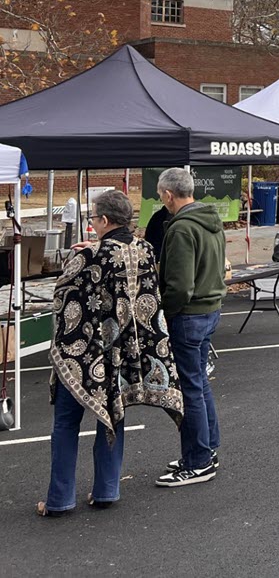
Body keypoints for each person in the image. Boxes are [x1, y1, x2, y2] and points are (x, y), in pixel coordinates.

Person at [38, 191, 184, 516]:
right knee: (114, 417)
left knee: (66, 423)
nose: (92, 223)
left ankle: (60, 499)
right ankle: (106, 490)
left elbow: (63, 294)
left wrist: (79, 257)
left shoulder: (91, 255)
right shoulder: (145, 250)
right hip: (122, 355)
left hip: (84, 356)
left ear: (103, 220)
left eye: (93, 219)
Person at [155, 168, 227, 488]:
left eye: (161, 196)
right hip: (210, 309)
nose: (161, 201)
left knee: (190, 389)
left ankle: (198, 460)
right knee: (199, 384)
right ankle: (206, 449)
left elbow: (180, 285)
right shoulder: (210, 220)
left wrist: (165, 313)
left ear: (169, 195)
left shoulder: (182, 228)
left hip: (188, 315)